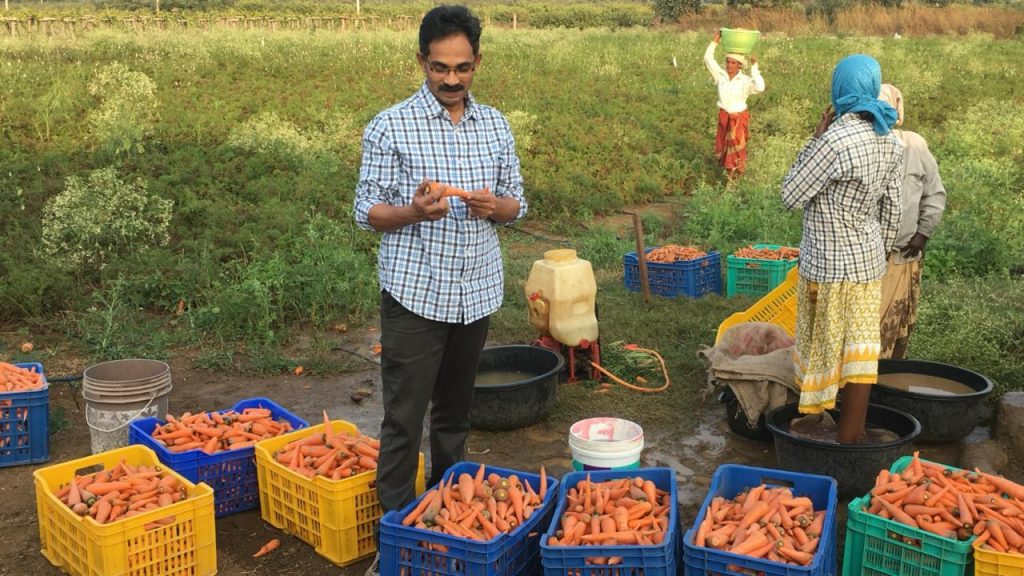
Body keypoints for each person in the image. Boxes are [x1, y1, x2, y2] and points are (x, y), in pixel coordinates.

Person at [353, 5, 527, 572]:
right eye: (439, 68)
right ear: (421, 61)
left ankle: (452, 521)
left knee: (454, 414)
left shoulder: (495, 125)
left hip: (476, 291)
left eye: (462, 68)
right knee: (403, 420)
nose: (451, 79)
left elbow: (516, 202)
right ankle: (394, 537)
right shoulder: (390, 125)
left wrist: (496, 207)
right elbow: (367, 211)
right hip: (416, 294)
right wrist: (412, 212)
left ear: (478, 62)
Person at [781, 54, 903, 444]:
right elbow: (893, 209)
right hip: (867, 265)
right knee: (860, 351)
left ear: (840, 90)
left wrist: (814, 139)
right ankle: (852, 432)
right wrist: (878, 253)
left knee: (826, 345)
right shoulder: (891, 138)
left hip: (829, 267)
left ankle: (821, 425)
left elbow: (791, 194)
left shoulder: (834, 141)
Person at [877, 84, 946, 359]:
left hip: (902, 255)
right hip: (867, 258)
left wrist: (922, 234)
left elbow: (934, 193)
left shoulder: (914, 145)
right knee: (867, 332)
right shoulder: (861, 145)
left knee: (895, 331)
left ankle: (889, 377)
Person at [704, 29, 765, 178]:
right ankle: (729, 177)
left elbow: (760, 87)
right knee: (724, 149)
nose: (729, 65)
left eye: (733, 63)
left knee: (737, 152)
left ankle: (733, 180)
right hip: (724, 118)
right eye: (728, 62)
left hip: (737, 119)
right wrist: (715, 41)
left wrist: (754, 67)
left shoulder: (745, 81)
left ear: (739, 65)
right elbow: (708, 59)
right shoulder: (721, 76)